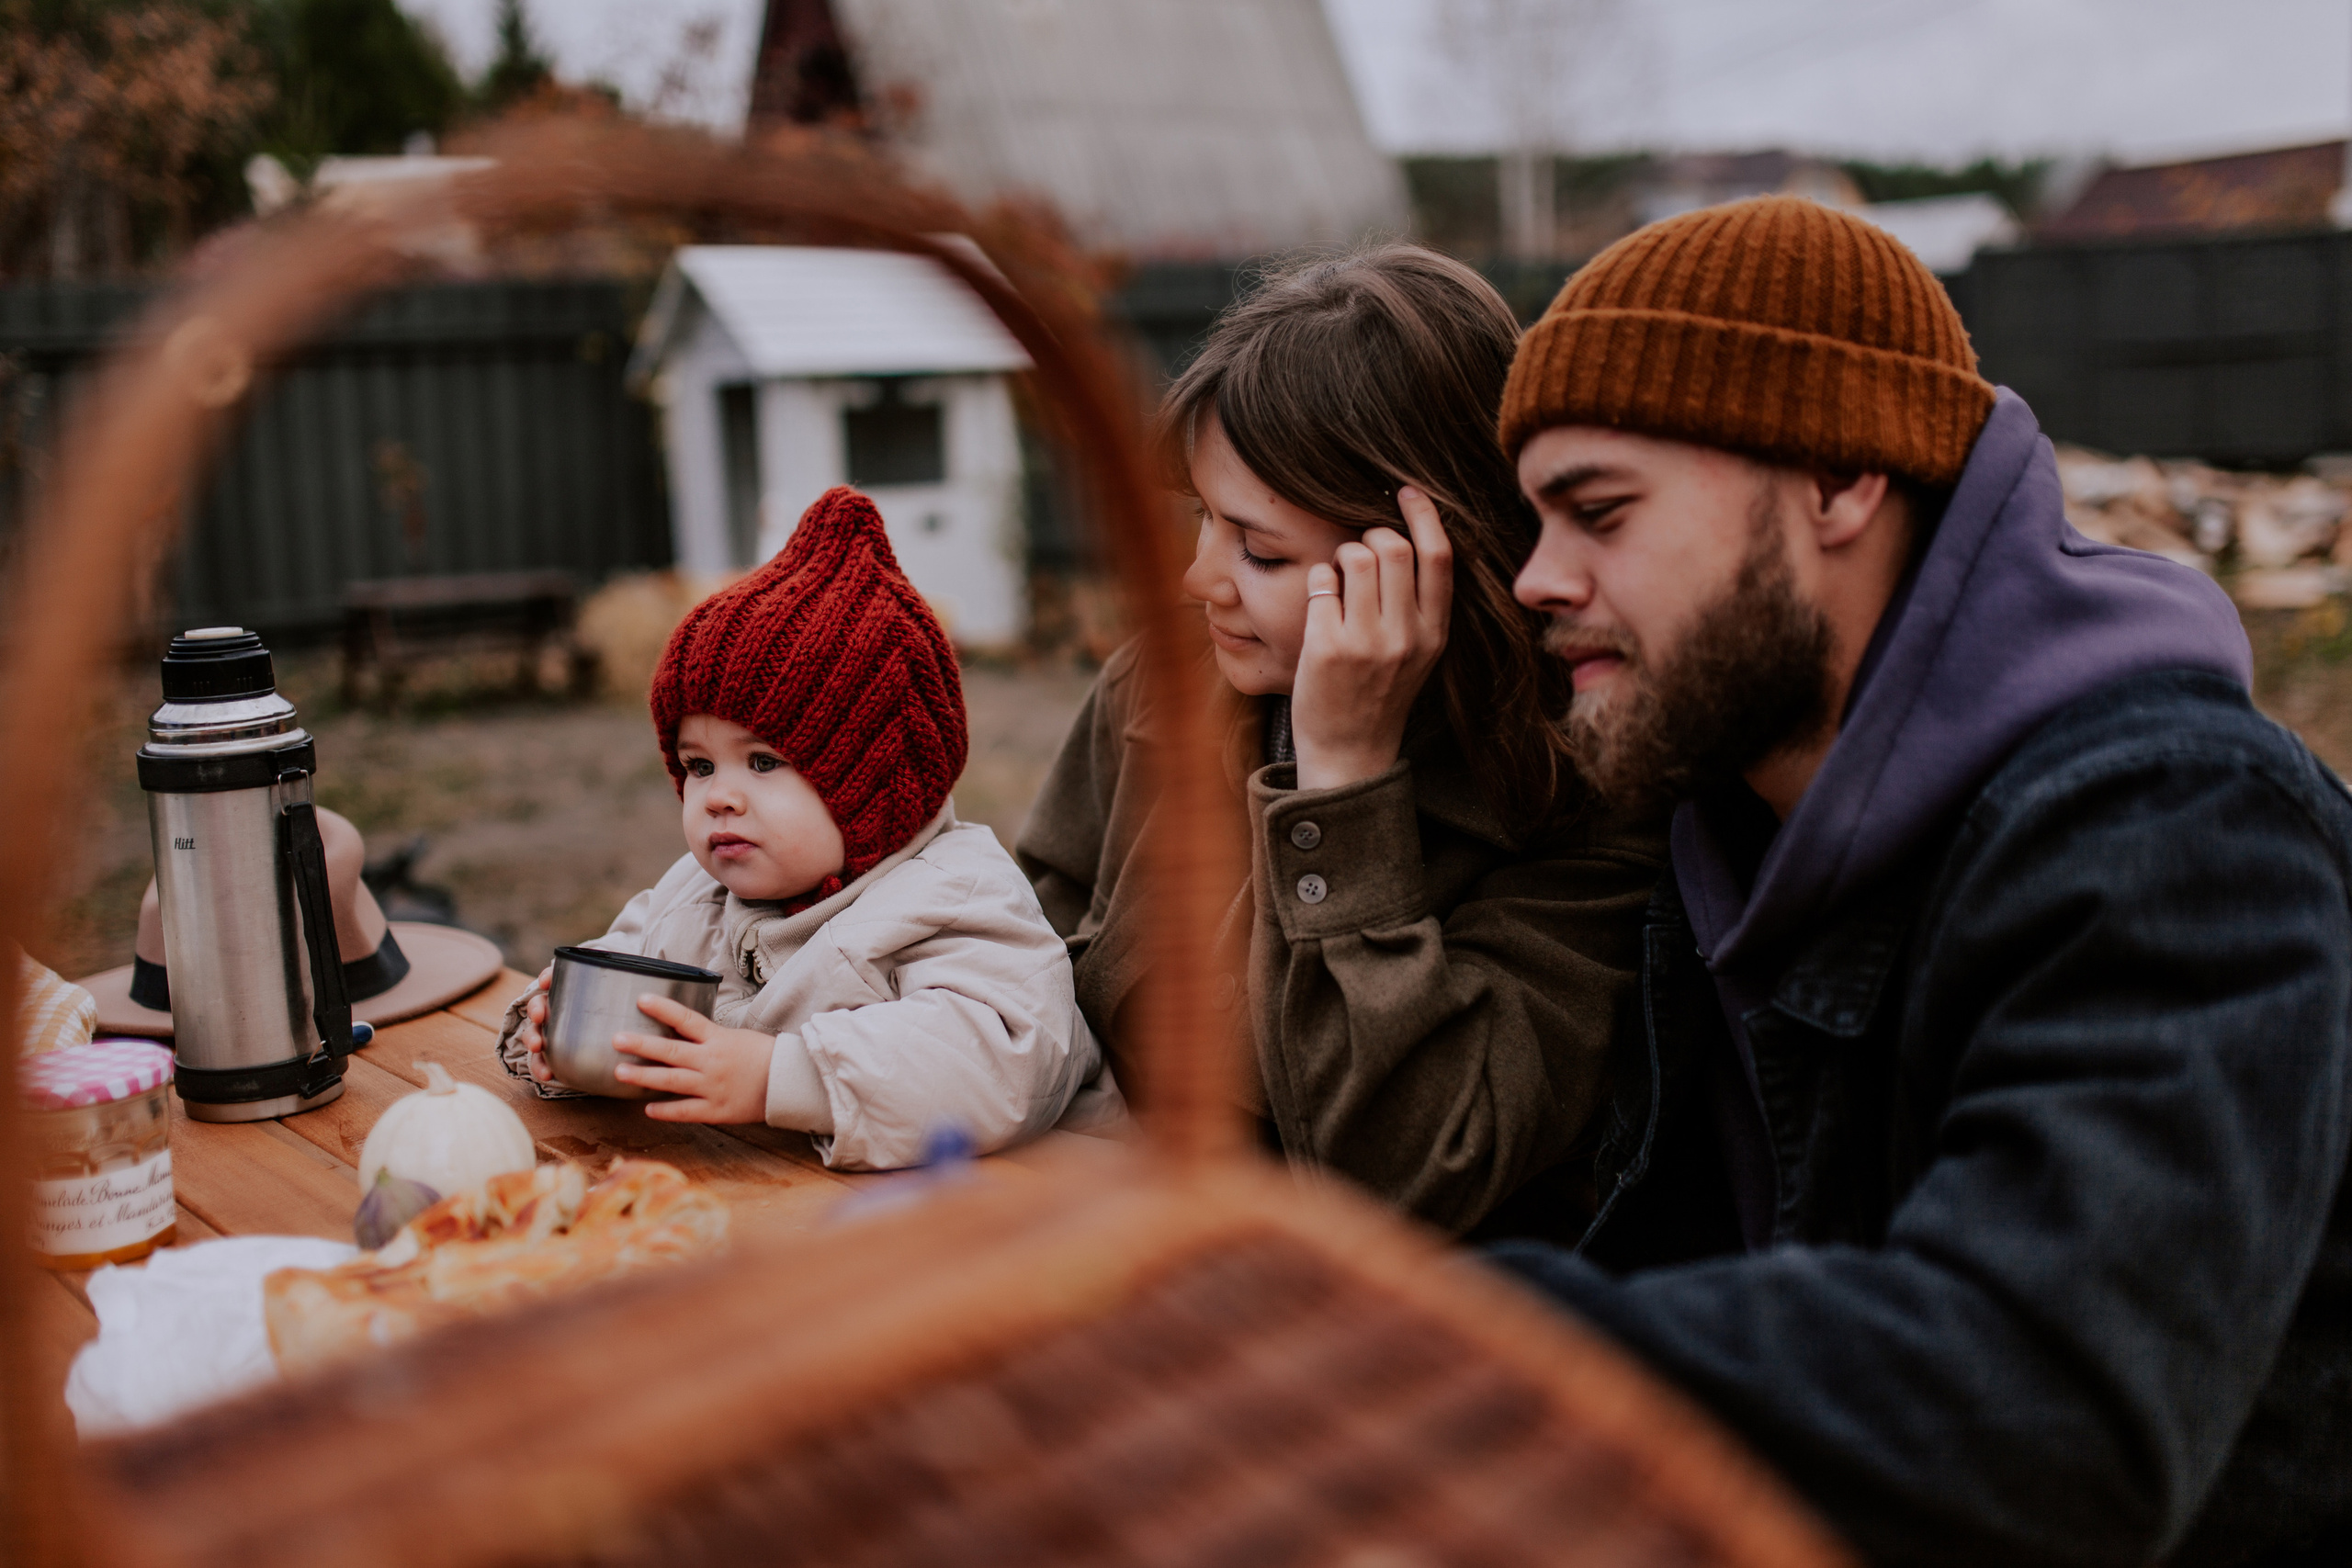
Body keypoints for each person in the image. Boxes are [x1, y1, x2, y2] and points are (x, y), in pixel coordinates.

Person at [1489, 194, 2352, 1565]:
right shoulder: (1726, 845)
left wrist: (1436, 1342)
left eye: (1598, 511)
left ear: (1840, 476)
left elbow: (2048, 1410)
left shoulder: (2177, 829)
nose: (1536, 579)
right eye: (1533, 524)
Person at [1017, 245, 1664, 1237]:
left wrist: (1343, 786)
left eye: (1259, 551)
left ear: (1424, 561)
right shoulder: (1161, 688)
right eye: (1204, 519)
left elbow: (1414, 1170)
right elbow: (1023, 956)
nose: (1199, 579)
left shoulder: (1583, 796)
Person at [500, 487, 1121, 1169]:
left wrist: (782, 1076)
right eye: (699, 765)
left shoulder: (954, 897)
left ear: (872, 784)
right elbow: (629, 962)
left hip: (1029, 1202)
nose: (718, 797)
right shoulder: (692, 897)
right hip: (785, 1196)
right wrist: (559, 1027)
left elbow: (1006, 1060)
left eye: (763, 761)